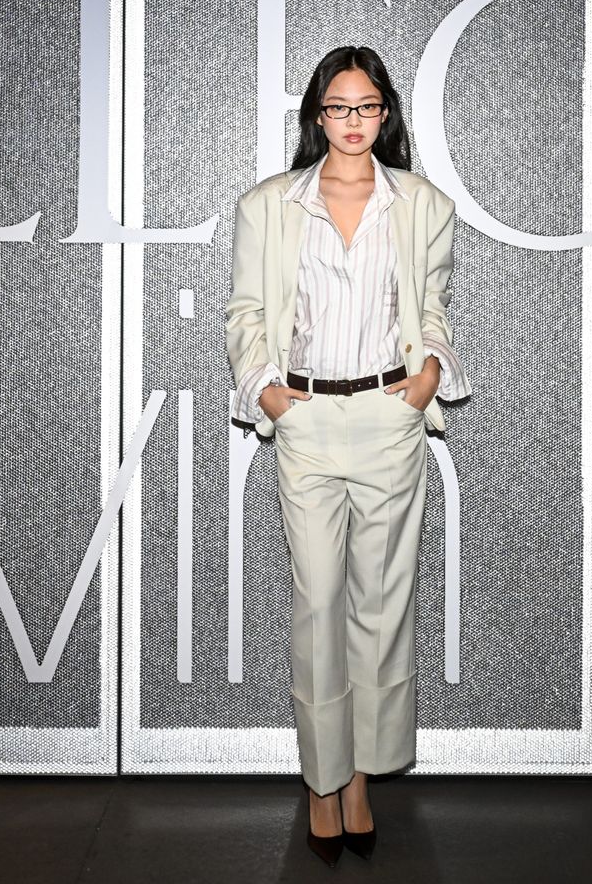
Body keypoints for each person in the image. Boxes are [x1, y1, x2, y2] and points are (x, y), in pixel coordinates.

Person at [224, 45, 472, 866]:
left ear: (386, 112)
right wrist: (267, 393)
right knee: (319, 602)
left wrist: (427, 375)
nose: (354, 120)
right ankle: (320, 779)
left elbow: (431, 309)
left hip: (387, 417)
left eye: (367, 106)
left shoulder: (424, 204)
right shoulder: (269, 205)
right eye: (339, 106)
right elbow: (245, 313)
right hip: (305, 418)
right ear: (317, 115)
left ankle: (358, 777)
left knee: (381, 606)